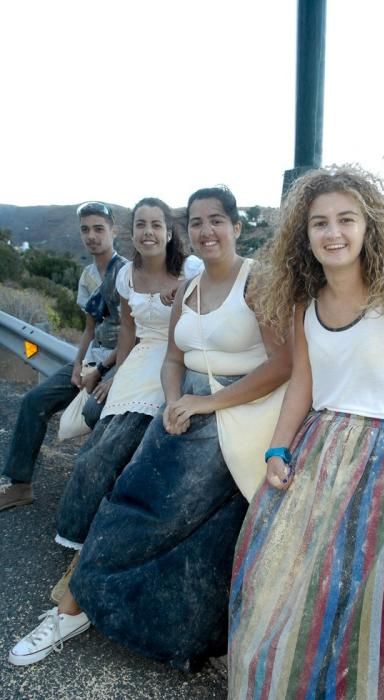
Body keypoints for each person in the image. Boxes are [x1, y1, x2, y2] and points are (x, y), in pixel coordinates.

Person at [8, 186, 291, 669]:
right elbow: (173, 357)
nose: (206, 230)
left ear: (237, 227)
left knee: (157, 513)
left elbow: (281, 365)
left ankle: (83, 608)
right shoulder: (190, 288)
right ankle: (76, 607)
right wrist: (176, 398)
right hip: (188, 405)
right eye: (197, 221)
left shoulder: (255, 282)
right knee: (129, 498)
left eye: (217, 220)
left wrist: (206, 403)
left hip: (240, 410)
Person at [228, 167, 384, 699]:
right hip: (319, 454)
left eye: (346, 219)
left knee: (370, 599)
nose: (333, 232)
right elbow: (302, 387)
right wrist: (276, 449)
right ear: (304, 236)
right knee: (281, 587)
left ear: (368, 227)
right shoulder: (305, 306)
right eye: (319, 223)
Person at [49, 197, 202, 600]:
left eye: (156, 224)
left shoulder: (191, 270)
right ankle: (79, 538)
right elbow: (128, 333)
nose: (148, 232)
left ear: (170, 232)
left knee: (119, 447)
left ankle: (108, 540)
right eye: (141, 225)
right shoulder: (126, 277)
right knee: (93, 453)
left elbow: (207, 320)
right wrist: (114, 376)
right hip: (138, 361)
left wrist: (184, 300)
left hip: (176, 360)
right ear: (131, 232)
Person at [0, 202, 126, 511]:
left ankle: (108, 497)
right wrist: (77, 365)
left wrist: (110, 373)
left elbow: (134, 332)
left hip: (122, 360)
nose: (92, 236)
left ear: (113, 231)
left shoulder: (126, 273)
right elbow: (89, 328)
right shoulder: (86, 276)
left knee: (99, 413)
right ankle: (19, 484)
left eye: (99, 229)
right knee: (34, 402)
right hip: (92, 357)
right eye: (85, 230)